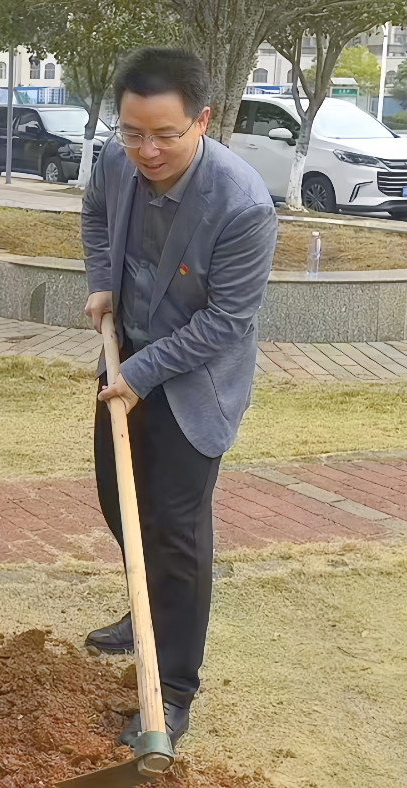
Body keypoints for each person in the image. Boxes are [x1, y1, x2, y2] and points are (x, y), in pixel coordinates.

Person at [80, 47, 277, 748]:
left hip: (197, 382)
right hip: (125, 354)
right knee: (117, 497)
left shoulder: (242, 204)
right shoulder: (115, 158)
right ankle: (145, 610)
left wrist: (143, 371)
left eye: (165, 134)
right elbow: (97, 217)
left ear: (204, 118)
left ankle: (176, 688)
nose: (147, 149)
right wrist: (101, 280)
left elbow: (227, 322)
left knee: (178, 530)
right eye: (133, 131)